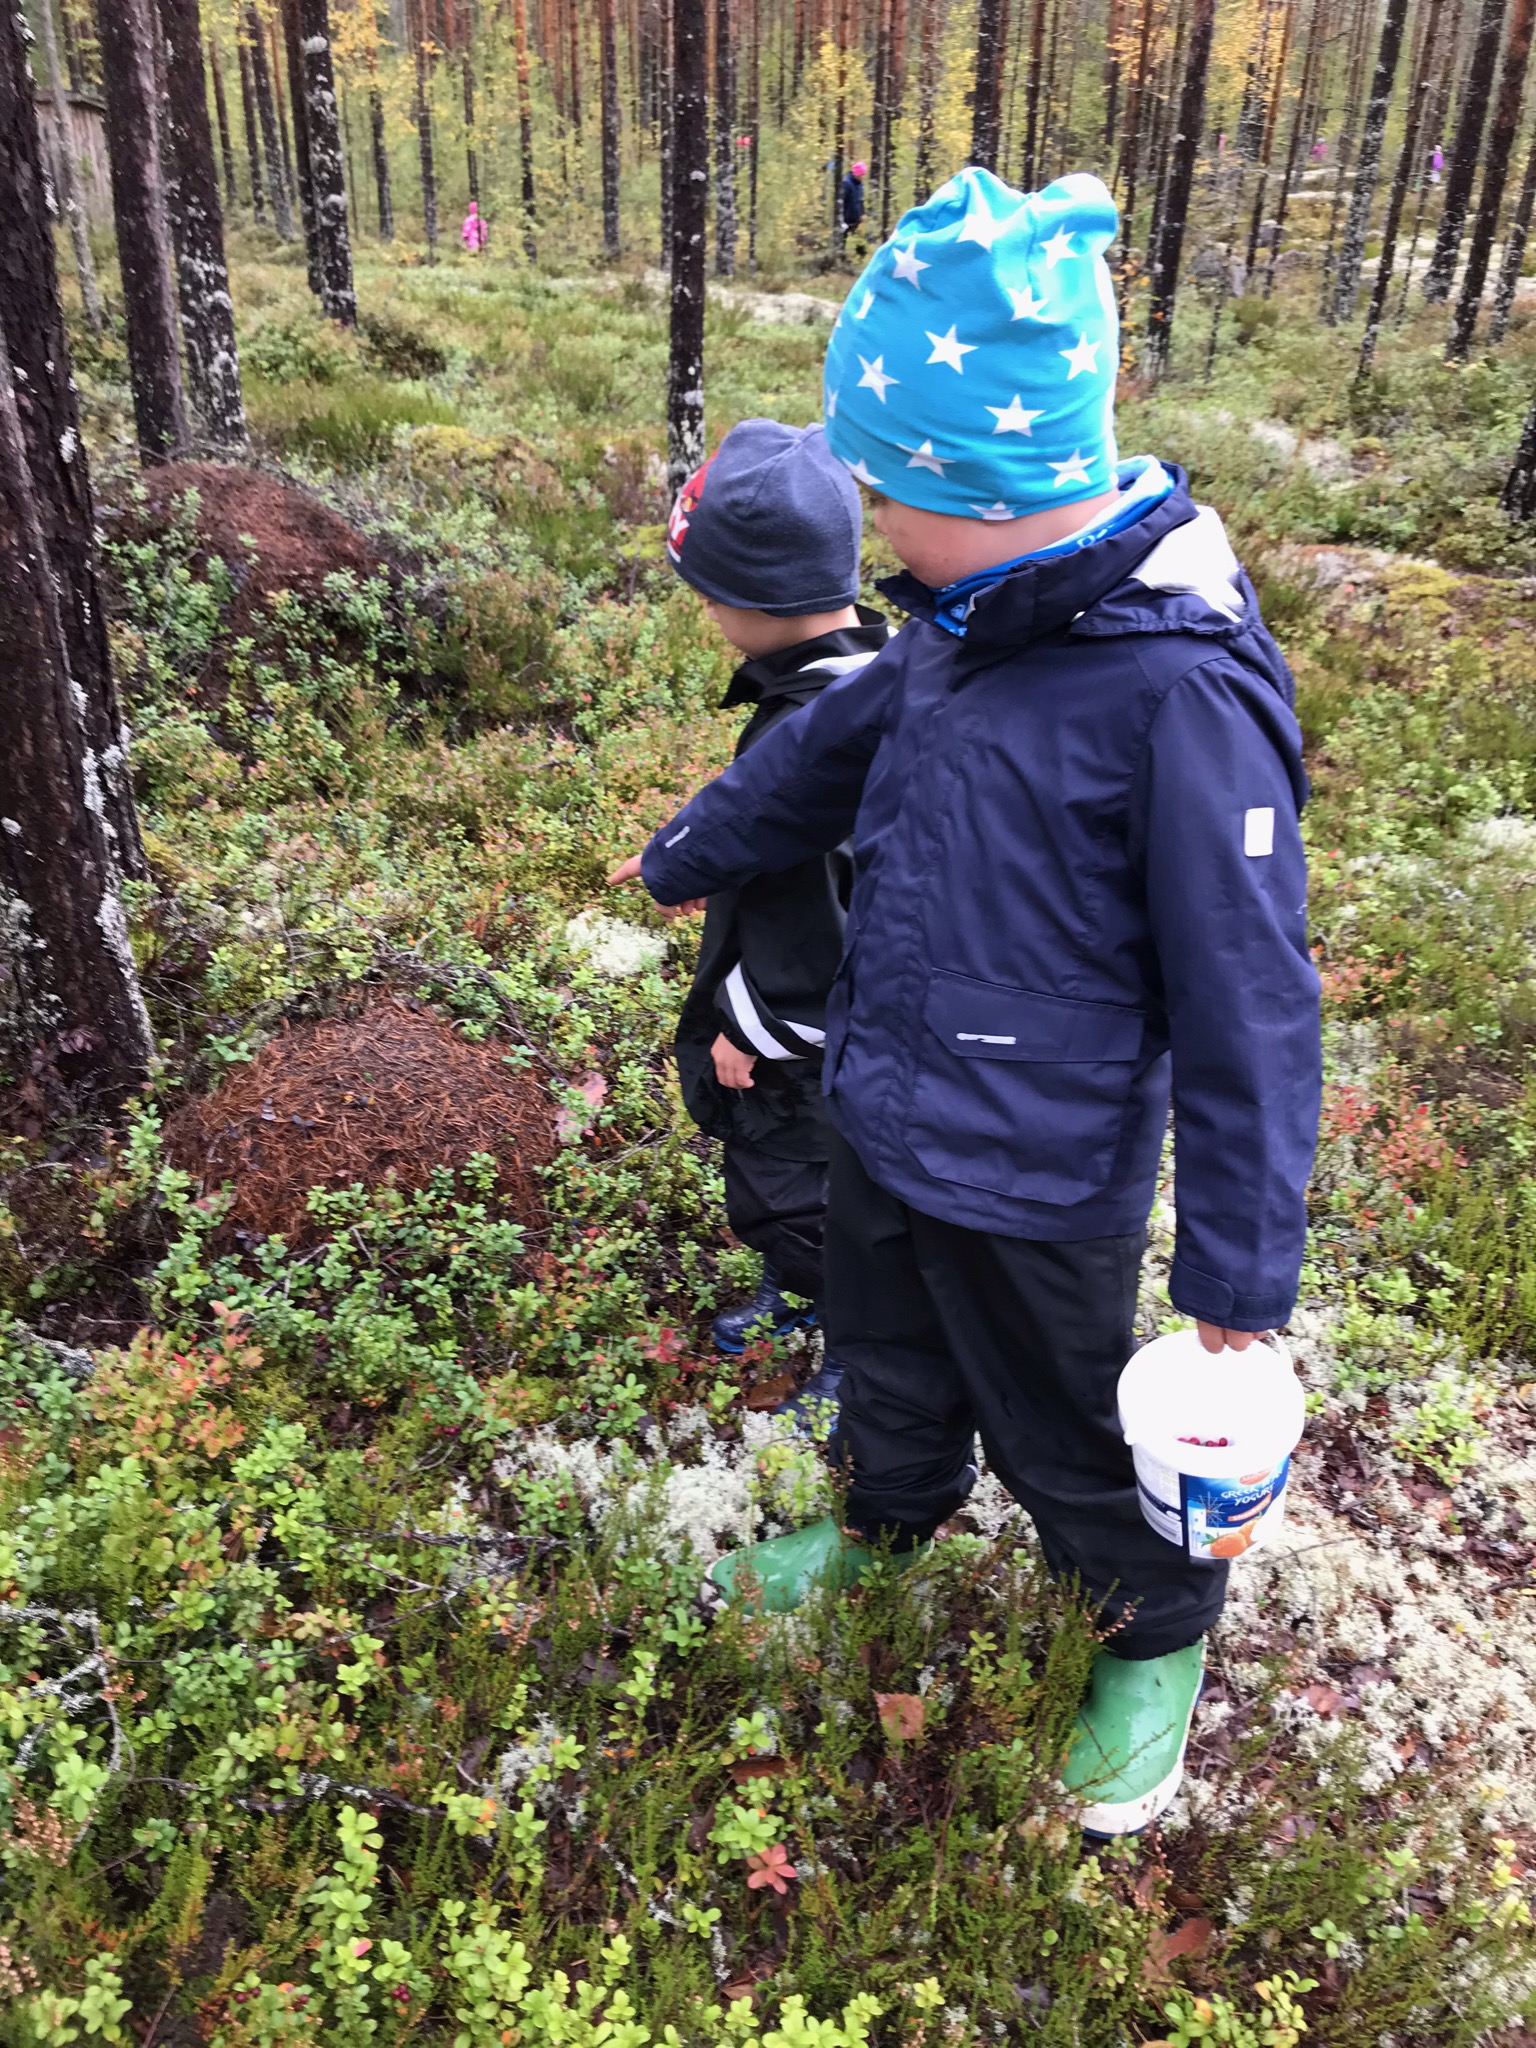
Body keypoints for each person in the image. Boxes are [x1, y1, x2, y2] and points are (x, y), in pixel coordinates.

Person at [618, 169, 1321, 1836]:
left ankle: (1150, 1634)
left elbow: (1251, 1002)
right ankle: (885, 1524)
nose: (871, 526)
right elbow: (823, 752)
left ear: (983, 490)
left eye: (887, 493)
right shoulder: (961, 618)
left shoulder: (1178, 691)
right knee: (887, 1357)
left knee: (1061, 1419)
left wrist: (1236, 1282)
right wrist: (694, 851)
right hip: (882, 1105)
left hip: (1039, 1166)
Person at [611, 421, 891, 1431]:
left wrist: (752, 1030)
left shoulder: (819, 727)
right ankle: (798, 1289)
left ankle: (858, 1350)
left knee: (804, 1193)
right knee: (791, 1185)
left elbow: (822, 927)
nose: (707, 610)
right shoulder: (860, 679)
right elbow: (775, 832)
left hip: (806, 1048)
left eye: (711, 594)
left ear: (760, 599)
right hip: (812, 1032)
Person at [839, 160, 867, 245]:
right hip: (847, 221)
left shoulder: (860, 184)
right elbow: (841, 203)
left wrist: (862, 213)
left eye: (864, 175)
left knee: (859, 244)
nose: (863, 177)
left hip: (857, 221)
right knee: (844, 243)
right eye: (861, 175)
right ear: (857, 174)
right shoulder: (846, 184)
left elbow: (860, 200)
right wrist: (842, 221)